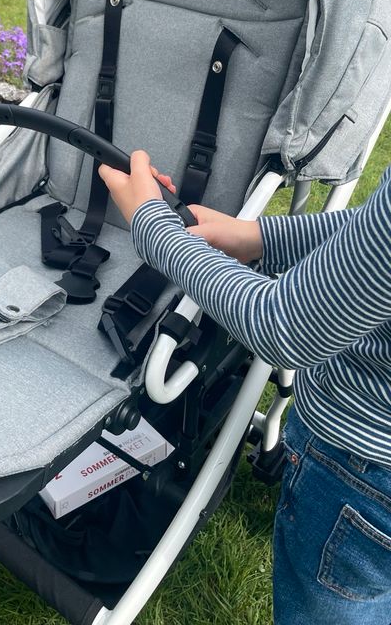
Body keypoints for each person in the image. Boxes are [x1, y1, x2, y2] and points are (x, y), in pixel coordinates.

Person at [98, 152, 391, 625]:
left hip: (364, 466)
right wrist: (259, 237)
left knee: (339, 607)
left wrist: (153, 229)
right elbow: (375, 233)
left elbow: (287, 329)